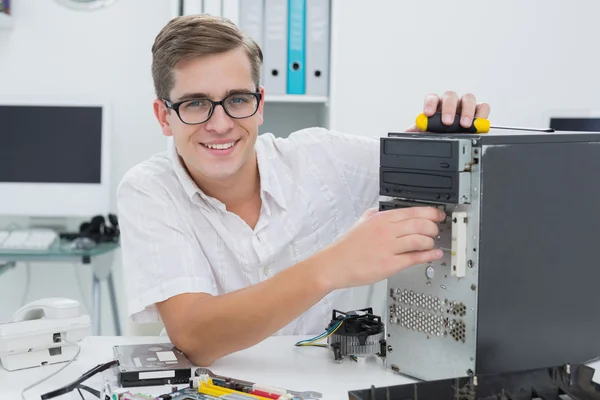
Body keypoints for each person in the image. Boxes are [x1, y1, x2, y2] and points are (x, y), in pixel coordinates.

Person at [116, 14, 490, 367]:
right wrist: (335, 265)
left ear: (259, 104)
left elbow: (435, 176)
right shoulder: (149, 190)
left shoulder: (323, 158)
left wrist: (444, 145)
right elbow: (195, 336)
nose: (221, 124)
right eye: (195, 104)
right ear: (164, 116)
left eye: (237, 100)